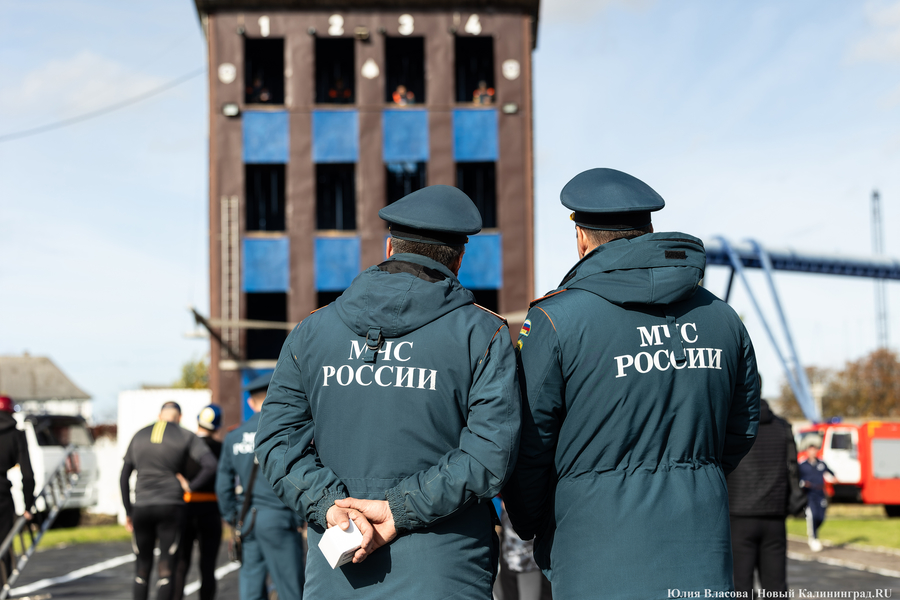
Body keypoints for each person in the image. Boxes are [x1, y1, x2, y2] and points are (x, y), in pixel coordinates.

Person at [503, 168, 760, 599]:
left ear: (582, 239)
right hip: (701, 547)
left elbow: (530, 442)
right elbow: (742, 427)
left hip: (594, 553)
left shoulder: (556, 319)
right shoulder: (722, 317)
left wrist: (531, 521)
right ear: (649, 230)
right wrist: (691, 477)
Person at [255, 184, 521, 599]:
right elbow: (490, 454)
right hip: (446, 571)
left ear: (389, 245)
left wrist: (331, 506)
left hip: (339, 571)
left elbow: (275, 441)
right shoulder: (482, 333)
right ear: (460, 257)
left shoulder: (313, 330)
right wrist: (399, 509)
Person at [216, 374, 305, 600]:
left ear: (250, 402)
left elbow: (223, 485)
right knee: (290, 589)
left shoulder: (233, 436)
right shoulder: (285, 432)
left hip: (248, 522)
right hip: (279, 518)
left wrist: (233, 517)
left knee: (251, 589)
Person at [120, 401, 217, 600]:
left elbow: (123, 477)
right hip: (171, 506)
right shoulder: (184, 434)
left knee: (142, 568)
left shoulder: (139, 435)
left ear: (159, 415)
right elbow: (210, 465)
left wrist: (128, 511)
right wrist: (191, 486)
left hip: (142, 506)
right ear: (179, 418)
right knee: (166, 567)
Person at [727, 397, 806, 597]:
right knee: (776, 587)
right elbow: (794, 469)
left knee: (741, 586)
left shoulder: (730, 425)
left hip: (739, 514)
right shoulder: (783, 428)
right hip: (775, 514)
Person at [173, 405, 224, 600]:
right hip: (211, 510)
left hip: (185, 510)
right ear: (217, 426)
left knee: (180, 565)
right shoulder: (222, 448)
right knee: (208, 566)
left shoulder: (184, 446)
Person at [0, 396, 34, 578]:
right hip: (2, 496)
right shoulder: (16, 434)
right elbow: (27, 475)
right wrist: (28, 506)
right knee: (4, 544)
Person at [799, 437, 834, 552]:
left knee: (821, 517)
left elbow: (831, 473)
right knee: (813, 515)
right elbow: (797, 478)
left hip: (820, 493)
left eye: (814, 449)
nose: (812, 451)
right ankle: (813, 537)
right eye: (810, 449)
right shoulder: (802, 465)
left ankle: (815, 531)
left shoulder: (821, 463)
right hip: (809, 494)